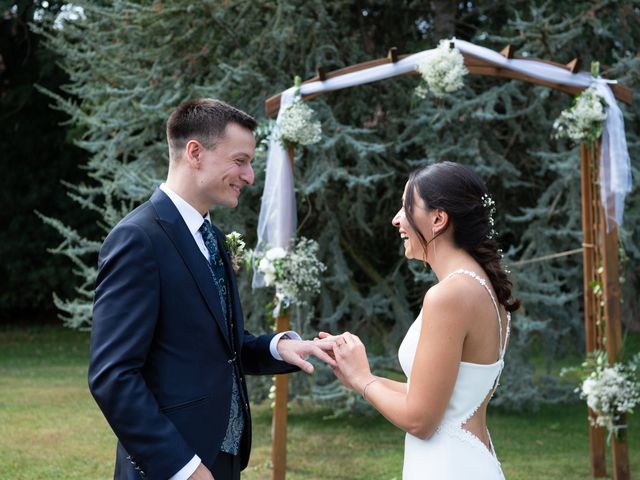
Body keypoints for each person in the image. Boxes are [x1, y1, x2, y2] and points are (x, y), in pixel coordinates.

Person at [88, 98, 336, 480]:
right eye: (240, 160)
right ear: (195, 153)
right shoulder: (138, 239)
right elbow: (113, 376)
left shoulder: (214, 238)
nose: (250, 176)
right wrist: (183, 468)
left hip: (222, 458)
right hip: (173, 465)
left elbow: (218, 346)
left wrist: (278, 347)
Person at [325, 161, 520, 479]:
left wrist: (364, 381)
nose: (396, 219)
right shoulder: (480, 286)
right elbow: (437, 399)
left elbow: (421, 420)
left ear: (438, 219)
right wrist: (356, 373)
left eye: (405, 207)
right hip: (466, 459)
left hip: (448, 466)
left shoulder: (449, 296)